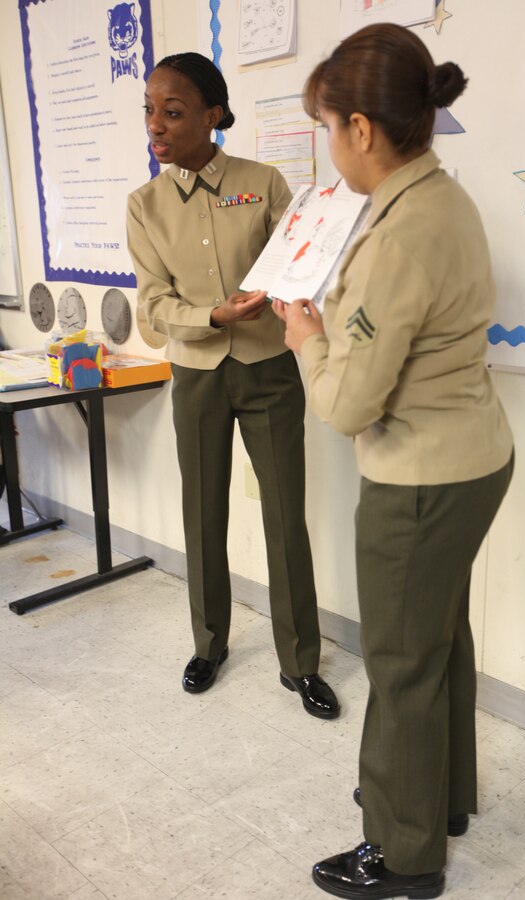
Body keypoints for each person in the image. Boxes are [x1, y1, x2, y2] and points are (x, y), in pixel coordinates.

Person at [273, 23, 514, 899]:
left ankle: (404, 852)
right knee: (438, 636)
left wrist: (305, 334)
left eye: (328, 126)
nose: (329, 144)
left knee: (402, 663)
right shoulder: (439, 198)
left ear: (362, 130)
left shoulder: (398, 235)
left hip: (419, 479)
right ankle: (437, 799)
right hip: (475, 457)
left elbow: (344, 407)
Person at [126, 52, 339, 720]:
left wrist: (300, 288)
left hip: (269, 372)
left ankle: (300, 662)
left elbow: (297, 258)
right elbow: (152, 307)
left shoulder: (262, 181)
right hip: (195, 376)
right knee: (202, 515)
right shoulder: (145, 206)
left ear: (212, 115)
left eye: (174, 111)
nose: (157, 125)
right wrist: (211, 315)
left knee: (284, 519)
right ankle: (209, 644)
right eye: (150, 111)